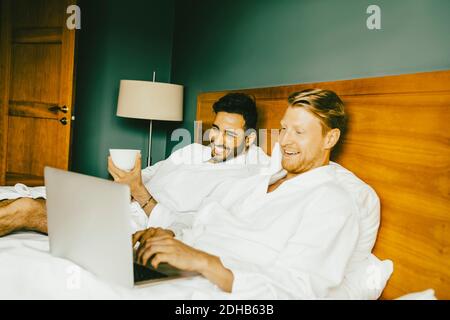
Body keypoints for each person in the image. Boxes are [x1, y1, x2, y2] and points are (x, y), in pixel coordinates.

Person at [132, 89, 365, 298]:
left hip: (213, 290)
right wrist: (168, 233)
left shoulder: (330, 202)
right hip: (176, 271)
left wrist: (203, 262)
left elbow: (296, 291)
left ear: (330, 138)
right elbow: (201, 221)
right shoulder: (257, 183)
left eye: (299, 132)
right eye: (284, 129)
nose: (284, 141)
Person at [0, 93, 270, 237]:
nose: (217, 139)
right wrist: (125, 178)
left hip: (136, 223)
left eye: (230, 134)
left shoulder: (248, 176)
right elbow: (147, 175)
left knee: (27, 209)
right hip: (115, 200)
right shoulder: (191, 150)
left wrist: (140, 194)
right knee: (21, 197)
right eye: (215, 129)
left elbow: (192, 228)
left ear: (250, 138)